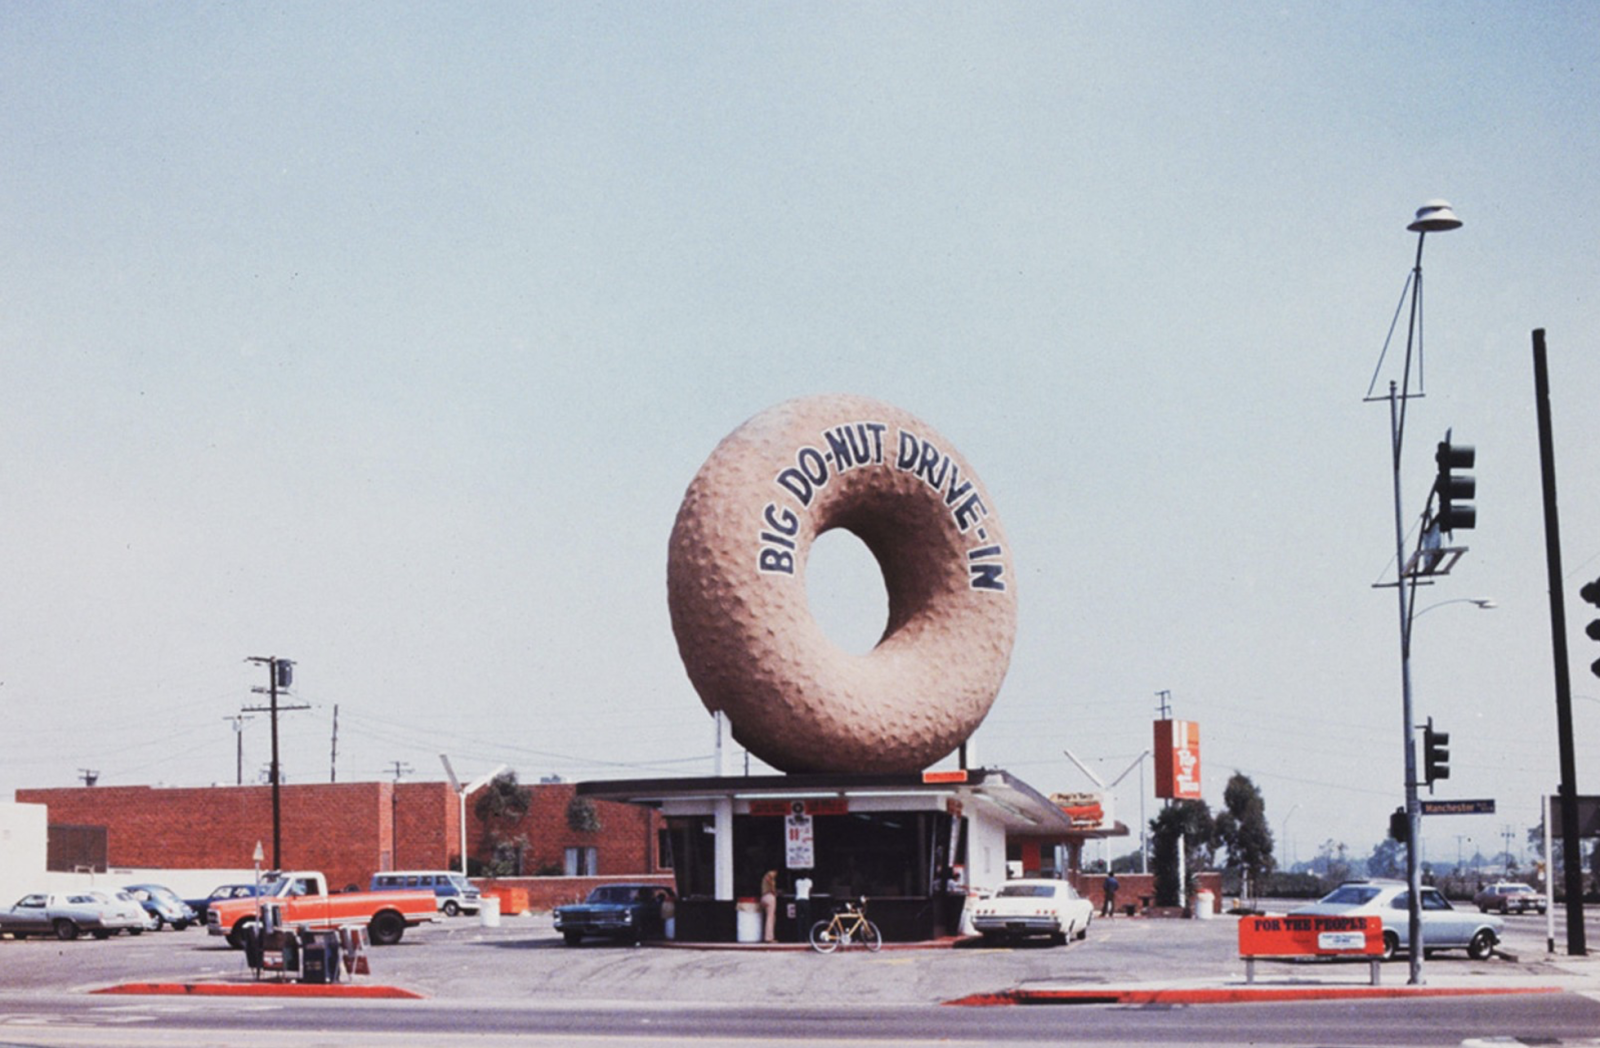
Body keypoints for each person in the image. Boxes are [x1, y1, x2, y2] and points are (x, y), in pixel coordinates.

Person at [760, 869, 778, 943]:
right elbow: (772, 888)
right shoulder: (769, 877)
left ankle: (766, 936)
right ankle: (769, 938)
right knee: (770, 918)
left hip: (763, 897)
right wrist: (774, 890)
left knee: (770, 917)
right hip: (769, 897)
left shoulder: (764, 878)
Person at [793, 873, 813, 941]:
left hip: (798, 900)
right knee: (807, 919)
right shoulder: (809, 881)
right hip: (806, 900)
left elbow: (796, 891)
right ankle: (807, 937)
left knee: (799, 920)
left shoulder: (797, 881)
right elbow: (810, 892)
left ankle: (799, 937)